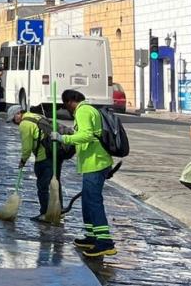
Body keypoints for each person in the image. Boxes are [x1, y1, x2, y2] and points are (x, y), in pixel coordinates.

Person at [52, 89, 116, 257]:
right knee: (87, 202)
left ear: (70, 102)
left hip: (95, 162)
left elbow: (86, 135)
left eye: (66, 106)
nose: (67, 110)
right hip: (92, 163)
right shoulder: (88, 110)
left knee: (94, 202)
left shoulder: (83, 111)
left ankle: (104, 242)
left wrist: (62, 138)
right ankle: (92, 236)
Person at [6, 105, 69, 220]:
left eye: (13, 119)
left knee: (42, 186)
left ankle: (45, 213)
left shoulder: (25, 124)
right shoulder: (36, 116)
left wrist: (23, 160)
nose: (14, 122)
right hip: (55, 154)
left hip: (44, 157)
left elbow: (27, 147)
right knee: (55, 183)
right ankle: (58, 211)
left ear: (18, 113)